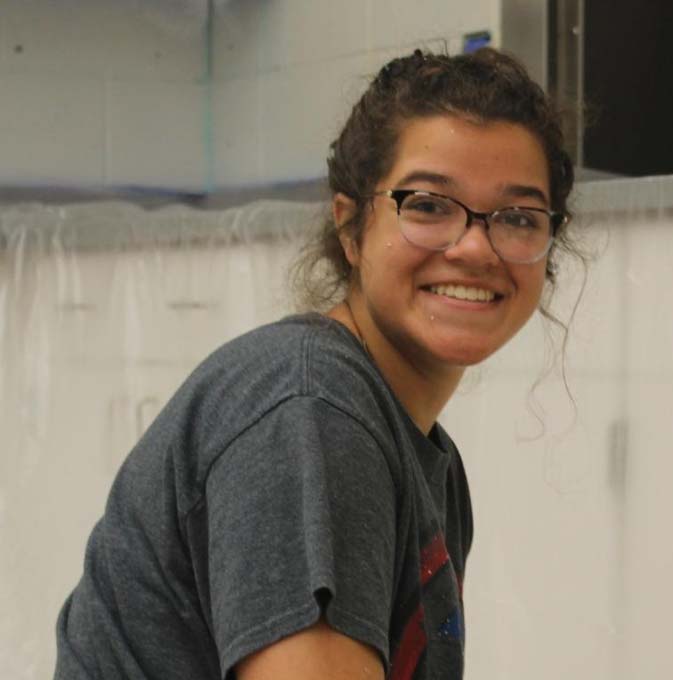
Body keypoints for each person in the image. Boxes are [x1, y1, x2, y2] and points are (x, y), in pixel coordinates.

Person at [54, 48, 578, 680]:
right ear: (350, 228)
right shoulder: (312, 409)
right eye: (429, 205)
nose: (474, 247)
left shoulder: (423, 455)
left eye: (517, 217)